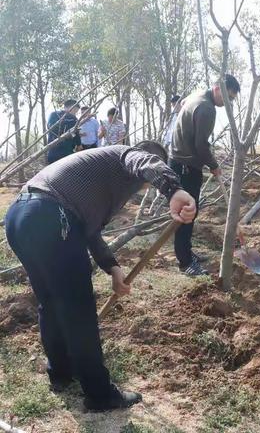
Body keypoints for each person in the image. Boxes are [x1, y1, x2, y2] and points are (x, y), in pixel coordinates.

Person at [5, 141, 196, 411]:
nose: (145, 186)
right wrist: (174, 189)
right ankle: (99, 395)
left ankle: (60, 373)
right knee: (79, 308)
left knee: (51, 301)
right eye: (148, 181)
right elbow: (145, 162)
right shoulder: (126, 156)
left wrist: (113, 267)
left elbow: (87, 230)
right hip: (48, 215)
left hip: (20, 217)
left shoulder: (99, 177)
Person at [170, 74, 240, 276]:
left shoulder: (197, 96)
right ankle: (185, 263)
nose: (228, 103)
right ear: (217, 88)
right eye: (228, 97)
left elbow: (183, 103)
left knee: (189, 213)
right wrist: (213, 164)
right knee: (187, 213)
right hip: (186, 165)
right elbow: (201, 145)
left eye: (232, 99)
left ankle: (186, 252)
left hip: (178, 161)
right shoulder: (207, 108)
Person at [46, 99, 82, 164]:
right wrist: (68, 131)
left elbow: (76, 133)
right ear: (67, 107)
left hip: (68, 151)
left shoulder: (74, 119)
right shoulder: (54, 115)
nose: (75, 113)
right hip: (54, 150)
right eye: (74, 110)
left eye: (76, 112)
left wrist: (79, 144)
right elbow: (51, 128)